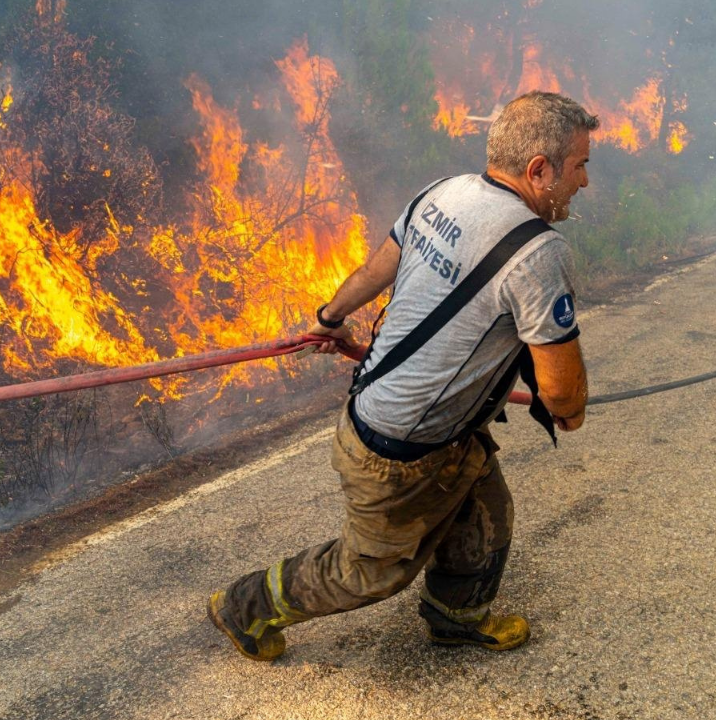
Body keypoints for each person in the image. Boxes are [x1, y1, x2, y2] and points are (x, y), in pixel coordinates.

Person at [207, 91, 595, 662]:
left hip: (403, 419)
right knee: (369, 573)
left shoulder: (442, 192)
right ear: (540, 170)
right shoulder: (539, 252)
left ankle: (456, 617)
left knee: (485, 510)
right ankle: (245, 606)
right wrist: (570, 409)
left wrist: (329, 319)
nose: (584, 182)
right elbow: (562, 392)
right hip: (401, 452)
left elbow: (374, 270)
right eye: (581, 165)